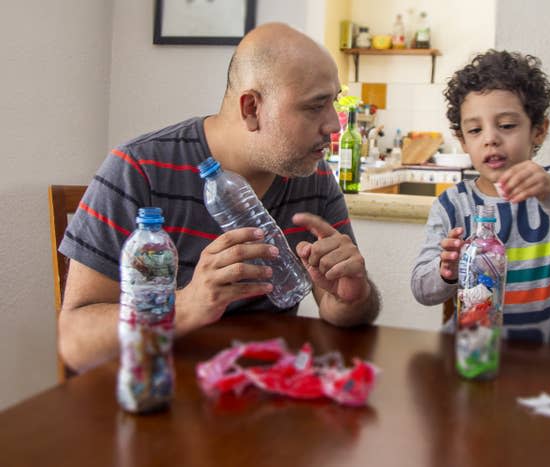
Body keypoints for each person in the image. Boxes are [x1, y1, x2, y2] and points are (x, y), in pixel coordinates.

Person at [58, 23, 381, 372]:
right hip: (157, 395)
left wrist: (353, 297)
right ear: (251, 109)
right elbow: (75, 341)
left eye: (332, 102)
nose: (334, 124)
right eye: (315, 107)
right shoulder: (139, 170)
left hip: (264, 392)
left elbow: (341, 309)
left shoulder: (313, 176)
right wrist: (183, 306)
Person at [411, 50, 550, 343]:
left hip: (544, 360)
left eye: (507, 125)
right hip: (473, 355)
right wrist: (446, 272)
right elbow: (422, 290)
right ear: (463, 141)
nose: (490, 138)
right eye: (474, 129)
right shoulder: (452, 205)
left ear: (539, 131)